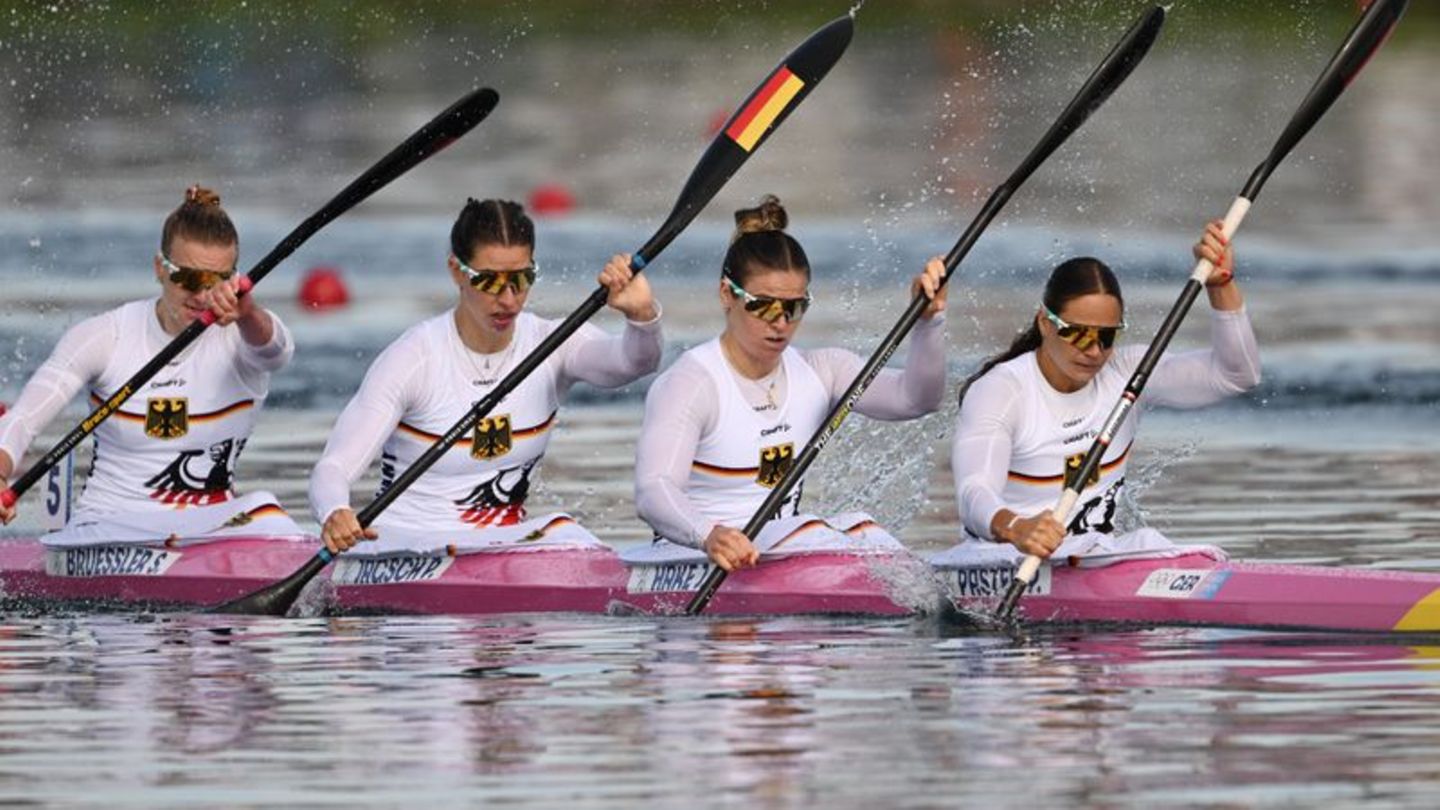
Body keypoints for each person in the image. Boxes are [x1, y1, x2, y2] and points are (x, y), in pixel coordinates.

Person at [311, 198, 662, 554]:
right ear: (456, 271)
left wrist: (642, 315)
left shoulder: (552, 344)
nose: (509, 299)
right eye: (490, 282)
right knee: (562, 532)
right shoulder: (414, 359)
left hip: (497, 550)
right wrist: (336, 511)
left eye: (522, 279)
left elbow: (635, 363)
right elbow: (334, 467)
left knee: (564, 529)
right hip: (403, 549)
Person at [633, 195, 948, 572]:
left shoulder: (824, 370)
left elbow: (918, 399)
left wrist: (929, 323)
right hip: (694, 557)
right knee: (815, 529)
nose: (781, 322)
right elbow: (654, 491)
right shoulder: (692, 383)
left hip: (781, 551)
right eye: (764, 305)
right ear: (726, 295)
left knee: (865, 529)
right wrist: (710, 535)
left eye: (795, 307)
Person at [0, 186, 301, 541]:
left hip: (210, 529)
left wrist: (247, 312)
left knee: (267, 508)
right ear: (160, 268)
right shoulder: (104, 337)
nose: (202, 295)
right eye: (187, 278)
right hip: (108, 526)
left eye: (216, 281)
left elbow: (277, 353)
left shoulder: (245, 334)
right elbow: (23, 420)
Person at [946, 221, 1260, 561]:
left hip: (1098, 556)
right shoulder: (1002, 391)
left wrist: (1221, 285)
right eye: (1079, 334)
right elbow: (973, 492)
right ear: (1045, 323)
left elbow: (1236, 375)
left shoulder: (1128, 372)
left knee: (1147, 540)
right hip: (1004, 558)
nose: (1095, 351)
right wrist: (1017, 528)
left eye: (1107, 336)